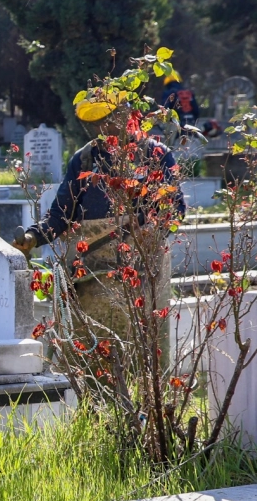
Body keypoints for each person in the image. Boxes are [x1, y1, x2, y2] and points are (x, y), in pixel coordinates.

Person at [13, 92, 185, 346]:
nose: (101, 129)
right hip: (88, 276)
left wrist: (149, 231)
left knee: (142, 352)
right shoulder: (84, 159)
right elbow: (61, 212)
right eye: (95, 123)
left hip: (140, 272)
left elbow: (174, 209)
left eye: (107, 120)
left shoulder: (155, 155)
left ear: (127, 115)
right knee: (91, 351)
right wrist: (33, 236)